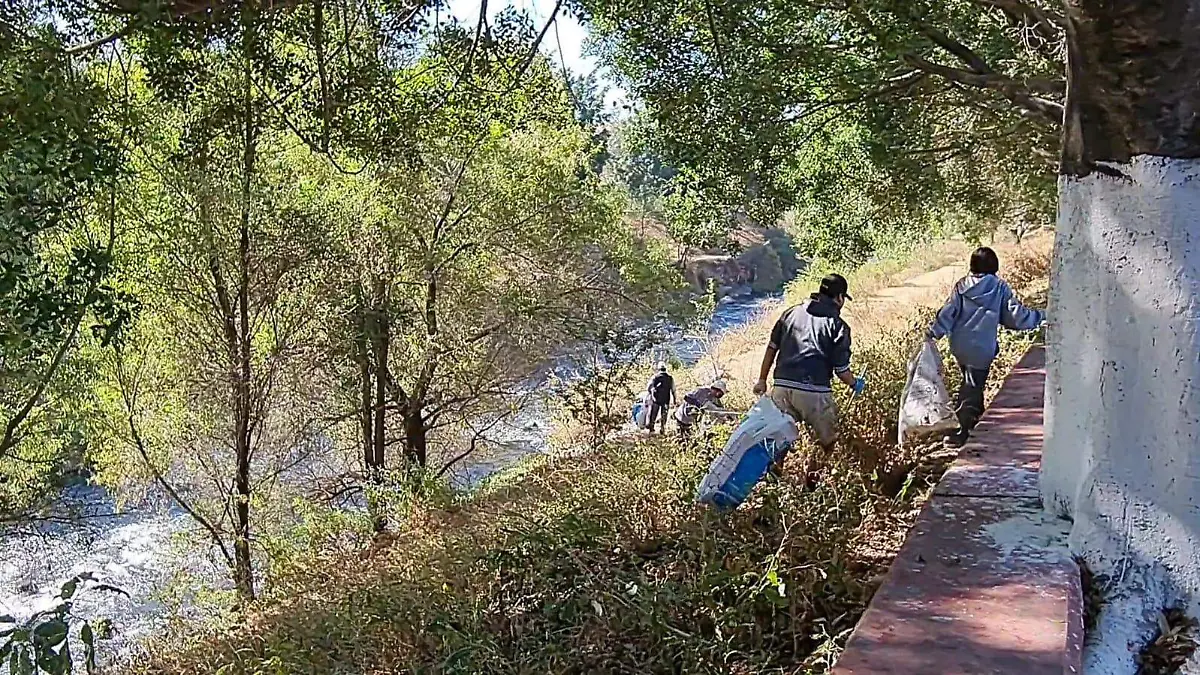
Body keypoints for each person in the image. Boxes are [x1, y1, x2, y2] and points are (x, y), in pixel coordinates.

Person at [927, 246, 1044, 448]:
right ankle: (961, 432)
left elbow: (948, 312)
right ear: (993, 266)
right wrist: (1041, 316)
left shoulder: (961, 286)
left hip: (960, 346)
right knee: (972, 386)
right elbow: (1016, 316)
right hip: (982, 347)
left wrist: (933, 332)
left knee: (970, 382)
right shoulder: (999, 287)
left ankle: (974, 422)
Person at [753, 273, 866, 479]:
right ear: (839, 298)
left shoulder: (790, 314)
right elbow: (841, 370)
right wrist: (855, 383)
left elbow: (772, 348)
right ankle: (811, 484)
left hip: (781, 388)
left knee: (779, 437)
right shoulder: (838, 326)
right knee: (826, 442)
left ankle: (774, 478)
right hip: (813, 392)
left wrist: (762, 379)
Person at [646, 362, 677, 434]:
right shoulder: (670, 378)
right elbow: (673, 390)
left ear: (658, 369)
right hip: (666, 399)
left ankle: (652, 428)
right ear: (665, 369)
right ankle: (662, 428)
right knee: (664, 414)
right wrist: (674, 400)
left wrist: (651, 393)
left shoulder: (655, 377)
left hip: (656, 399)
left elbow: (648, 387)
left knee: (653, 414)